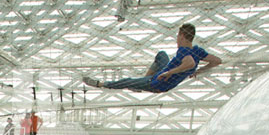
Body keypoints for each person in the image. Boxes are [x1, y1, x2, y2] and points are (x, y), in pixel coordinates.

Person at [83, 24, 222, 92]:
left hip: (157, 83)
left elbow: (189, 63)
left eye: (177, 35)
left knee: (127, 81)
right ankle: (141, 82)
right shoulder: (197, 51)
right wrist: (199, 70)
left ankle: (101, 84)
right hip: (161, 74)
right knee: (161, 55)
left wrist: (170, 72)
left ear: (181, 36)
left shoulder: (183, 51)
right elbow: (217, 61)